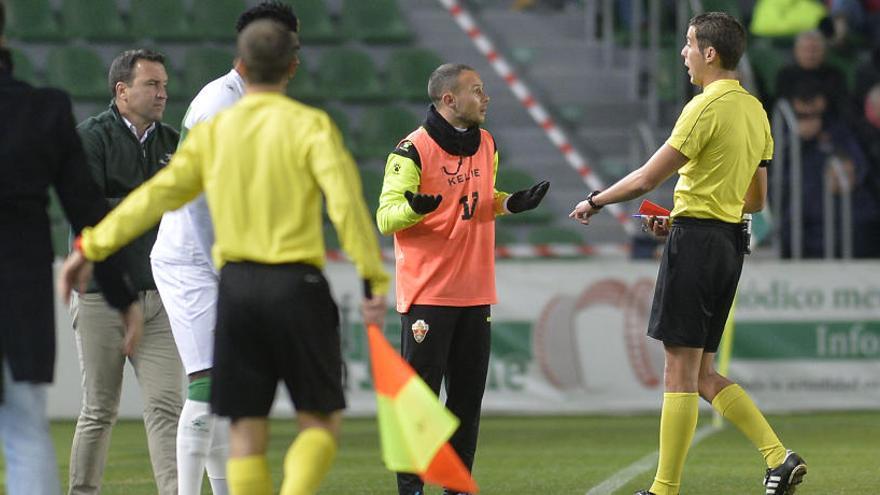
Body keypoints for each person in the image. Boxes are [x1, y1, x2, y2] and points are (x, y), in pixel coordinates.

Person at [58, 19, 389, 495]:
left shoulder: (213, 133)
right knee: (320, 425)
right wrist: (372, 278)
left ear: (241, 66)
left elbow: (156, 198)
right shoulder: (311, 127)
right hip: (297, 286)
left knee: (244, 434)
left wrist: (90, 247)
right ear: (293, 66)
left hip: (237, 289)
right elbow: (347, 209)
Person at [570, 12, 806, 495]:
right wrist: (692, 213)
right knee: (701, 373)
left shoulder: (703, 107)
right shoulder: (756, 110)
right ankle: (778, 458)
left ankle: (663, 489)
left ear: (709, 53)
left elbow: (645, 179)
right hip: (728, 245)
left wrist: (594, 201)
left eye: (688, 44)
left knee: (679, 369)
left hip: (697, 245)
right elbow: (757, 199)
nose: (683, 53)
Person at [376, 63, 550, 495]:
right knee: (418, 405)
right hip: (428, 293)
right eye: (476, 90)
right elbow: (385, 218)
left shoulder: (487, 143)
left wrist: (511, 204)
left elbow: (479, 202)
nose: (485, 97)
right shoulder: (411, 151)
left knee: (466, 404)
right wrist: (414, 208)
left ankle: (456, 487)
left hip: (475, 293)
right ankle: (411, 489)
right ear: (448, 100)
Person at [148, 3, 299, 494]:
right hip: (191, 257)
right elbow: (194, 193)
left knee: (223, 384)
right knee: (208, 382)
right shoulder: (221, 102)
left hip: (211, 254)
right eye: (288, 44)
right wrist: (227, 262)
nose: (294, 57)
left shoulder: (247, 100)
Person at [0, 2, 140, 493]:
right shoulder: (44, 109)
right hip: (19, 293)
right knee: (25, 432)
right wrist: (123, 297)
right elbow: (87, 209)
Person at [68, 49, 183, 495]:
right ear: (122, 90)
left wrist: (135, 205)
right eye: (152, 84)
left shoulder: (174, 143)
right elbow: (89, 216)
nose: (162, 93)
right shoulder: (89, 139)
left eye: (164, 85)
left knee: (167, 407)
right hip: (103, 294)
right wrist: (156, 200)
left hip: (160, 295)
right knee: (99, 408)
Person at [774, 30, 850, 118]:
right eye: (806, 50)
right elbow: (781, 106)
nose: (810, 55)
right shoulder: (785, 76)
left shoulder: (835, 76)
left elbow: (842, 108)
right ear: (796, 51)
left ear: (824, 51)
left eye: (815, 49)